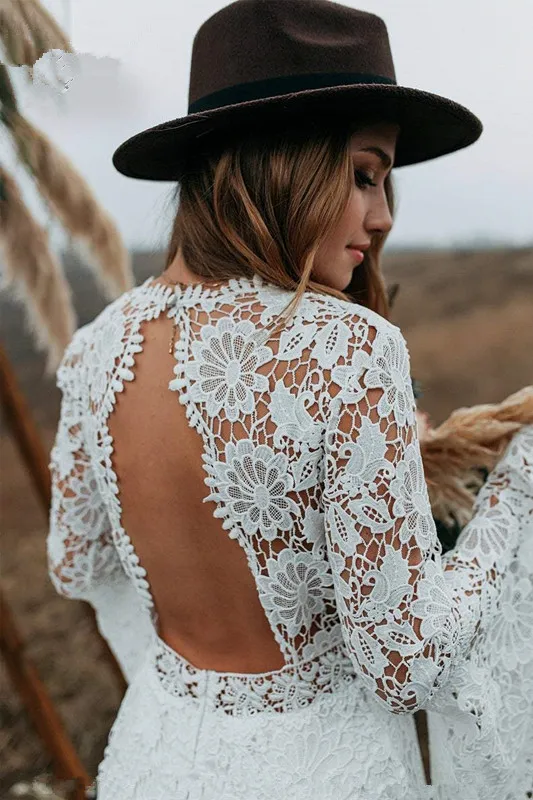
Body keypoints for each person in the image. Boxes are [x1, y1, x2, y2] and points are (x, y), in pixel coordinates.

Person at [46, 1, 533, 798]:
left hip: (154, 762)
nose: (379, 218)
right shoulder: (350, 352)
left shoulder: (98, 345)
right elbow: (402, 664)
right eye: (363, 173)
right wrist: (513, 491)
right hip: (326, 774)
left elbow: (76, 561)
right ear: (284, 161)